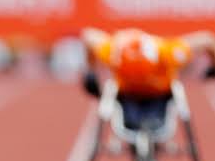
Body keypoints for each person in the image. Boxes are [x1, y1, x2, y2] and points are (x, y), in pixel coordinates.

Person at [81, 27, 215, 130]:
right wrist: (91, 71)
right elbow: (88, 35)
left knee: (154, 121)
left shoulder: (167, 52)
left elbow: (206, 40)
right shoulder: (114, 51)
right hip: (127, 96)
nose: (137, 76)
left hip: (160, 96)